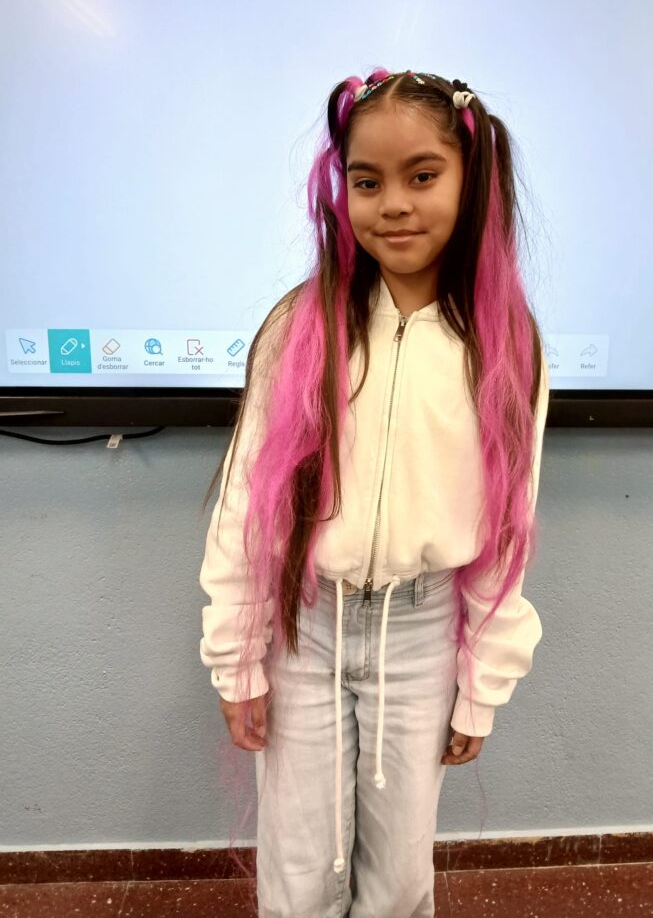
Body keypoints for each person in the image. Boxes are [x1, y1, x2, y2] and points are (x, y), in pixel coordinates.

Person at [198, 68, 550, 918]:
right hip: (305, 626)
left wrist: (482, 684)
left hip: (422, 633)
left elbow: (507, 529)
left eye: (422, 176)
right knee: (299, 872)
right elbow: (248, 506)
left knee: (397, 878)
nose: (393, 204)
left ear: (473, 180)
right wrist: (236, 656)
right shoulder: (300, 326)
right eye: (367, 181)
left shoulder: (504, 345)